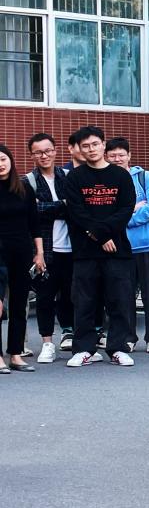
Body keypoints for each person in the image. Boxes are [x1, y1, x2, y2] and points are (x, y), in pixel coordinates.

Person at [64, 126, 137, 367]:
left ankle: (118, 348)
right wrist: (101, 237)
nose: (91, 149)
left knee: (119, 301)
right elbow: (76, 212)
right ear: (79, 149)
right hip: (85, 251)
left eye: (95, 144)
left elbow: (126, 209)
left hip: (118, 250)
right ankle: (84, 349)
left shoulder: (120, 176)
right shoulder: (74, 177)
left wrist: (104, 233)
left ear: (103, 145)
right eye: (85, 146)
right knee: (84, 302)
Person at [104, 138, 149, 354]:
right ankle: (128, 337)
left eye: (121, 155)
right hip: (121, 247)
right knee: (124, 295)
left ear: (129, 156)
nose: (117, 159)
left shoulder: (145, 177)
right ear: (106, 157)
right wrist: (133, 209)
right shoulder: (105, 182)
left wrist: (125, 218)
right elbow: (105, 213)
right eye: (112, 155)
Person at [26, 132, 74, 360]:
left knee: (71, 295)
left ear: (55, 151)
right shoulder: (28, 182)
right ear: (32, 155)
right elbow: (32, 212)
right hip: (44, 249)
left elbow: (75, 207)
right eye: (38, 152)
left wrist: (47, 206)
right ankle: (47, 343)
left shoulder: (69, 177)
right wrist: (62, 205)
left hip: (72, 247)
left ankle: (69, 332)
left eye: (47, 151)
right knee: (45, 297)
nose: (44, 156)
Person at [0, 144, 44, 372]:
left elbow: (34, 224)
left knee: (19, 303)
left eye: (3, 159)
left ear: (10, 160)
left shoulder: (24, 188)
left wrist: (39, 253)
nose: (0, 164)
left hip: (21, 251)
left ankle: (15, 355)